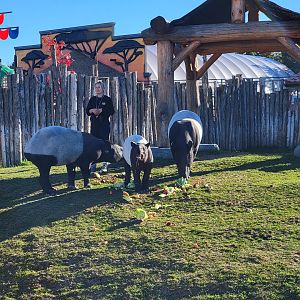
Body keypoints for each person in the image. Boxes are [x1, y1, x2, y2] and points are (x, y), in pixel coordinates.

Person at [86, 81, 115, 174]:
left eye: (99, 87)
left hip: (104, 125)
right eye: (96, 87)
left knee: (104, 144)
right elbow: (87, 111)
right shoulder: (92, 99)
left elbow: (111, 111)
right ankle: (93, 165)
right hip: (95, 125)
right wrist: (92, 110)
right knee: (94, 144)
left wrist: (102, 110)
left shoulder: (107, 99)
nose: (97, 89)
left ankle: (104, 165)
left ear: (103, 88)